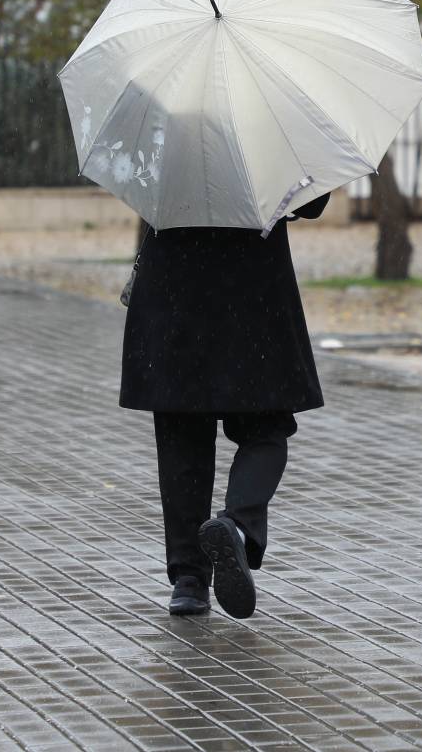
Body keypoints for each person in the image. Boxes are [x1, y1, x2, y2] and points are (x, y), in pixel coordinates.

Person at [119, 191, 330, 619]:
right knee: (265, 428)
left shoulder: (163, 124)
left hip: (175, 278)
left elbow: (139, 187)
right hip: (252, 283)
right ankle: (237, 522)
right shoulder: (270, 124)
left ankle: (189, 581)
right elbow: (311, 202)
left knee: (181, 435)